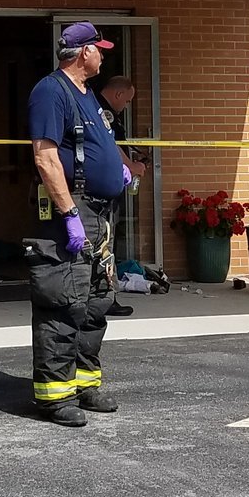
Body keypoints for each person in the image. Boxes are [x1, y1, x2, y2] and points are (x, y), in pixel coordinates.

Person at [28, 21, 132, 425]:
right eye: (100, 49)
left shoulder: (87, 95)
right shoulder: (51, 91)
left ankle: (84, 384)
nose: (103, 56)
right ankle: (54, 397)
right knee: (62, 300)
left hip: (100, 213)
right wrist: (69, 215)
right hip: (75, 211)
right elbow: (45, 157)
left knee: (96, 300)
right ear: (84, 52)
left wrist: (117, 169)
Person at [97, 74, 149, 318]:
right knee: (105, 244)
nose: (126, 106)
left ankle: (105, 296)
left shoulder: (102, 110)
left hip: (109, 184)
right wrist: (131, 166)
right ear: (118, 94)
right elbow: (110, 146)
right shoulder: (102, 112)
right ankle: (106, 298)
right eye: (127, 101)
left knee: (107, 243)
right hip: (103, 190)